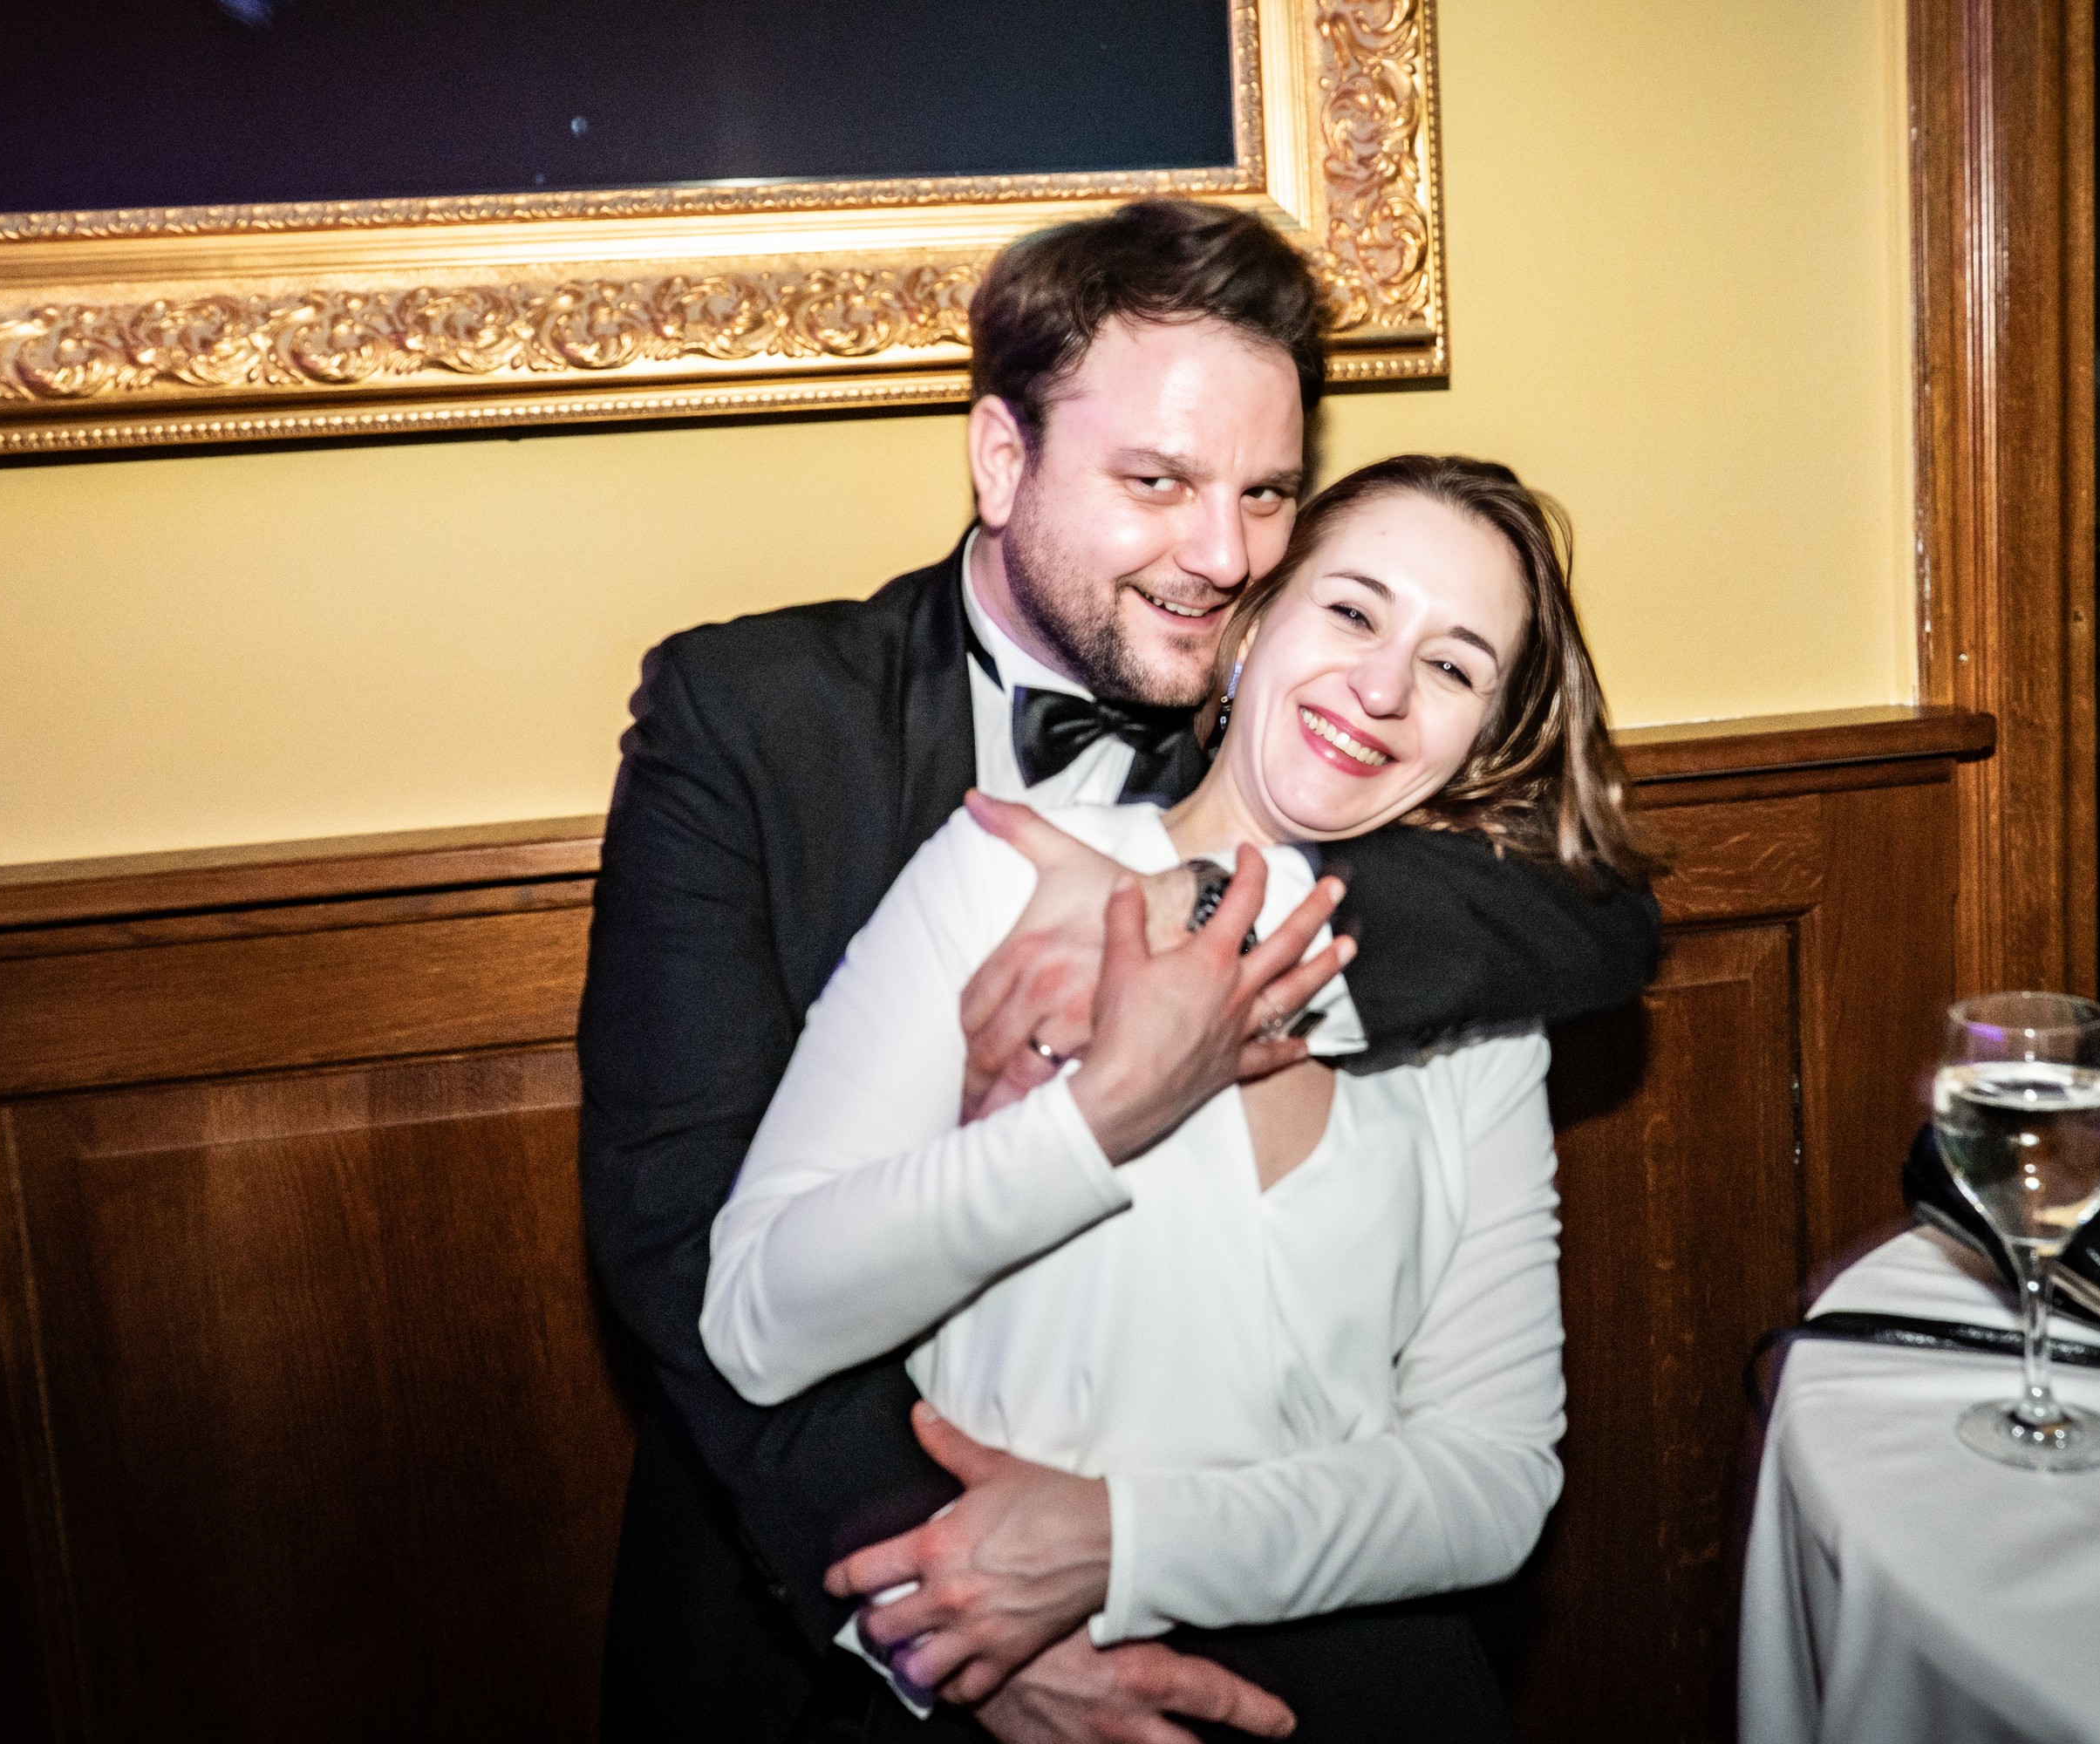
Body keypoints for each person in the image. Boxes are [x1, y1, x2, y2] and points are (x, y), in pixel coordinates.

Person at [578, 200, 1660, 1744]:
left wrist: (1187, 904)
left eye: (1267, 495)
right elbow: (684, 1245)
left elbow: (1596, 909)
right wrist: (962, 1612)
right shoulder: (755, 718)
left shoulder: (1285, 714)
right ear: (1002, 459)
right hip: (826, 1587)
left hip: (1319, 1636)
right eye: (1157, 481)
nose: (1221, 556)